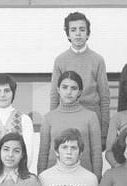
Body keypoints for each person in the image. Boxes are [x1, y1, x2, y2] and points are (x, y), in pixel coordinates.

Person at [49, 11, 110, 143]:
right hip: (66, 118)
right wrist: (53, 124)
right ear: (68, 34)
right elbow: (54, 96)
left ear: (88, 34)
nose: (78, 34)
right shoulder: (60, 60)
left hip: (92, 120)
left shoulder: (97, 60)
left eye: (82, 30)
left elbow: (104, 97)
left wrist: (104, 132)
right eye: (73, 30)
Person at [39, 71, 103, 179]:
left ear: (79, 92)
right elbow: (43, 154)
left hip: (84, 178)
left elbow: (96, 153)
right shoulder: (48, 118)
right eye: (64, 87)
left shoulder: (91, 117)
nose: (69, 92)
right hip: (53, 179)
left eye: (74, 88)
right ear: (58, 89)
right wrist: (40, 180)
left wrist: (97, 180)